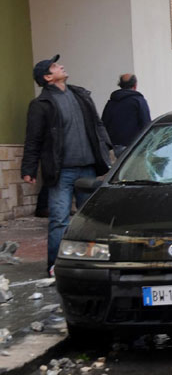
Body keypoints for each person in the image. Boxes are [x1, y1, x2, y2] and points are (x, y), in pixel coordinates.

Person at [21, 55, 113, 276]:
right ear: (48, 77)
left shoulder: (80, 95)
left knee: (90, 220)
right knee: (59, 220)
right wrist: (28, 169)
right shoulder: (41, 104)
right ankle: (55, 265)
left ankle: (91, 261)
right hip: (62, 171)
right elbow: (33, 138)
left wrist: (106, 146)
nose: (61, 66)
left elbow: (97, 124)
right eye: (55, 66)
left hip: (88, 168)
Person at [101, 73, 151, 153]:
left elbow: (103, 125)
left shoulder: (111, 102)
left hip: (113, 149)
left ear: (120, 85)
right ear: (135, 86)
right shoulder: (139, 101)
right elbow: (146, 125)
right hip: (133, 149)